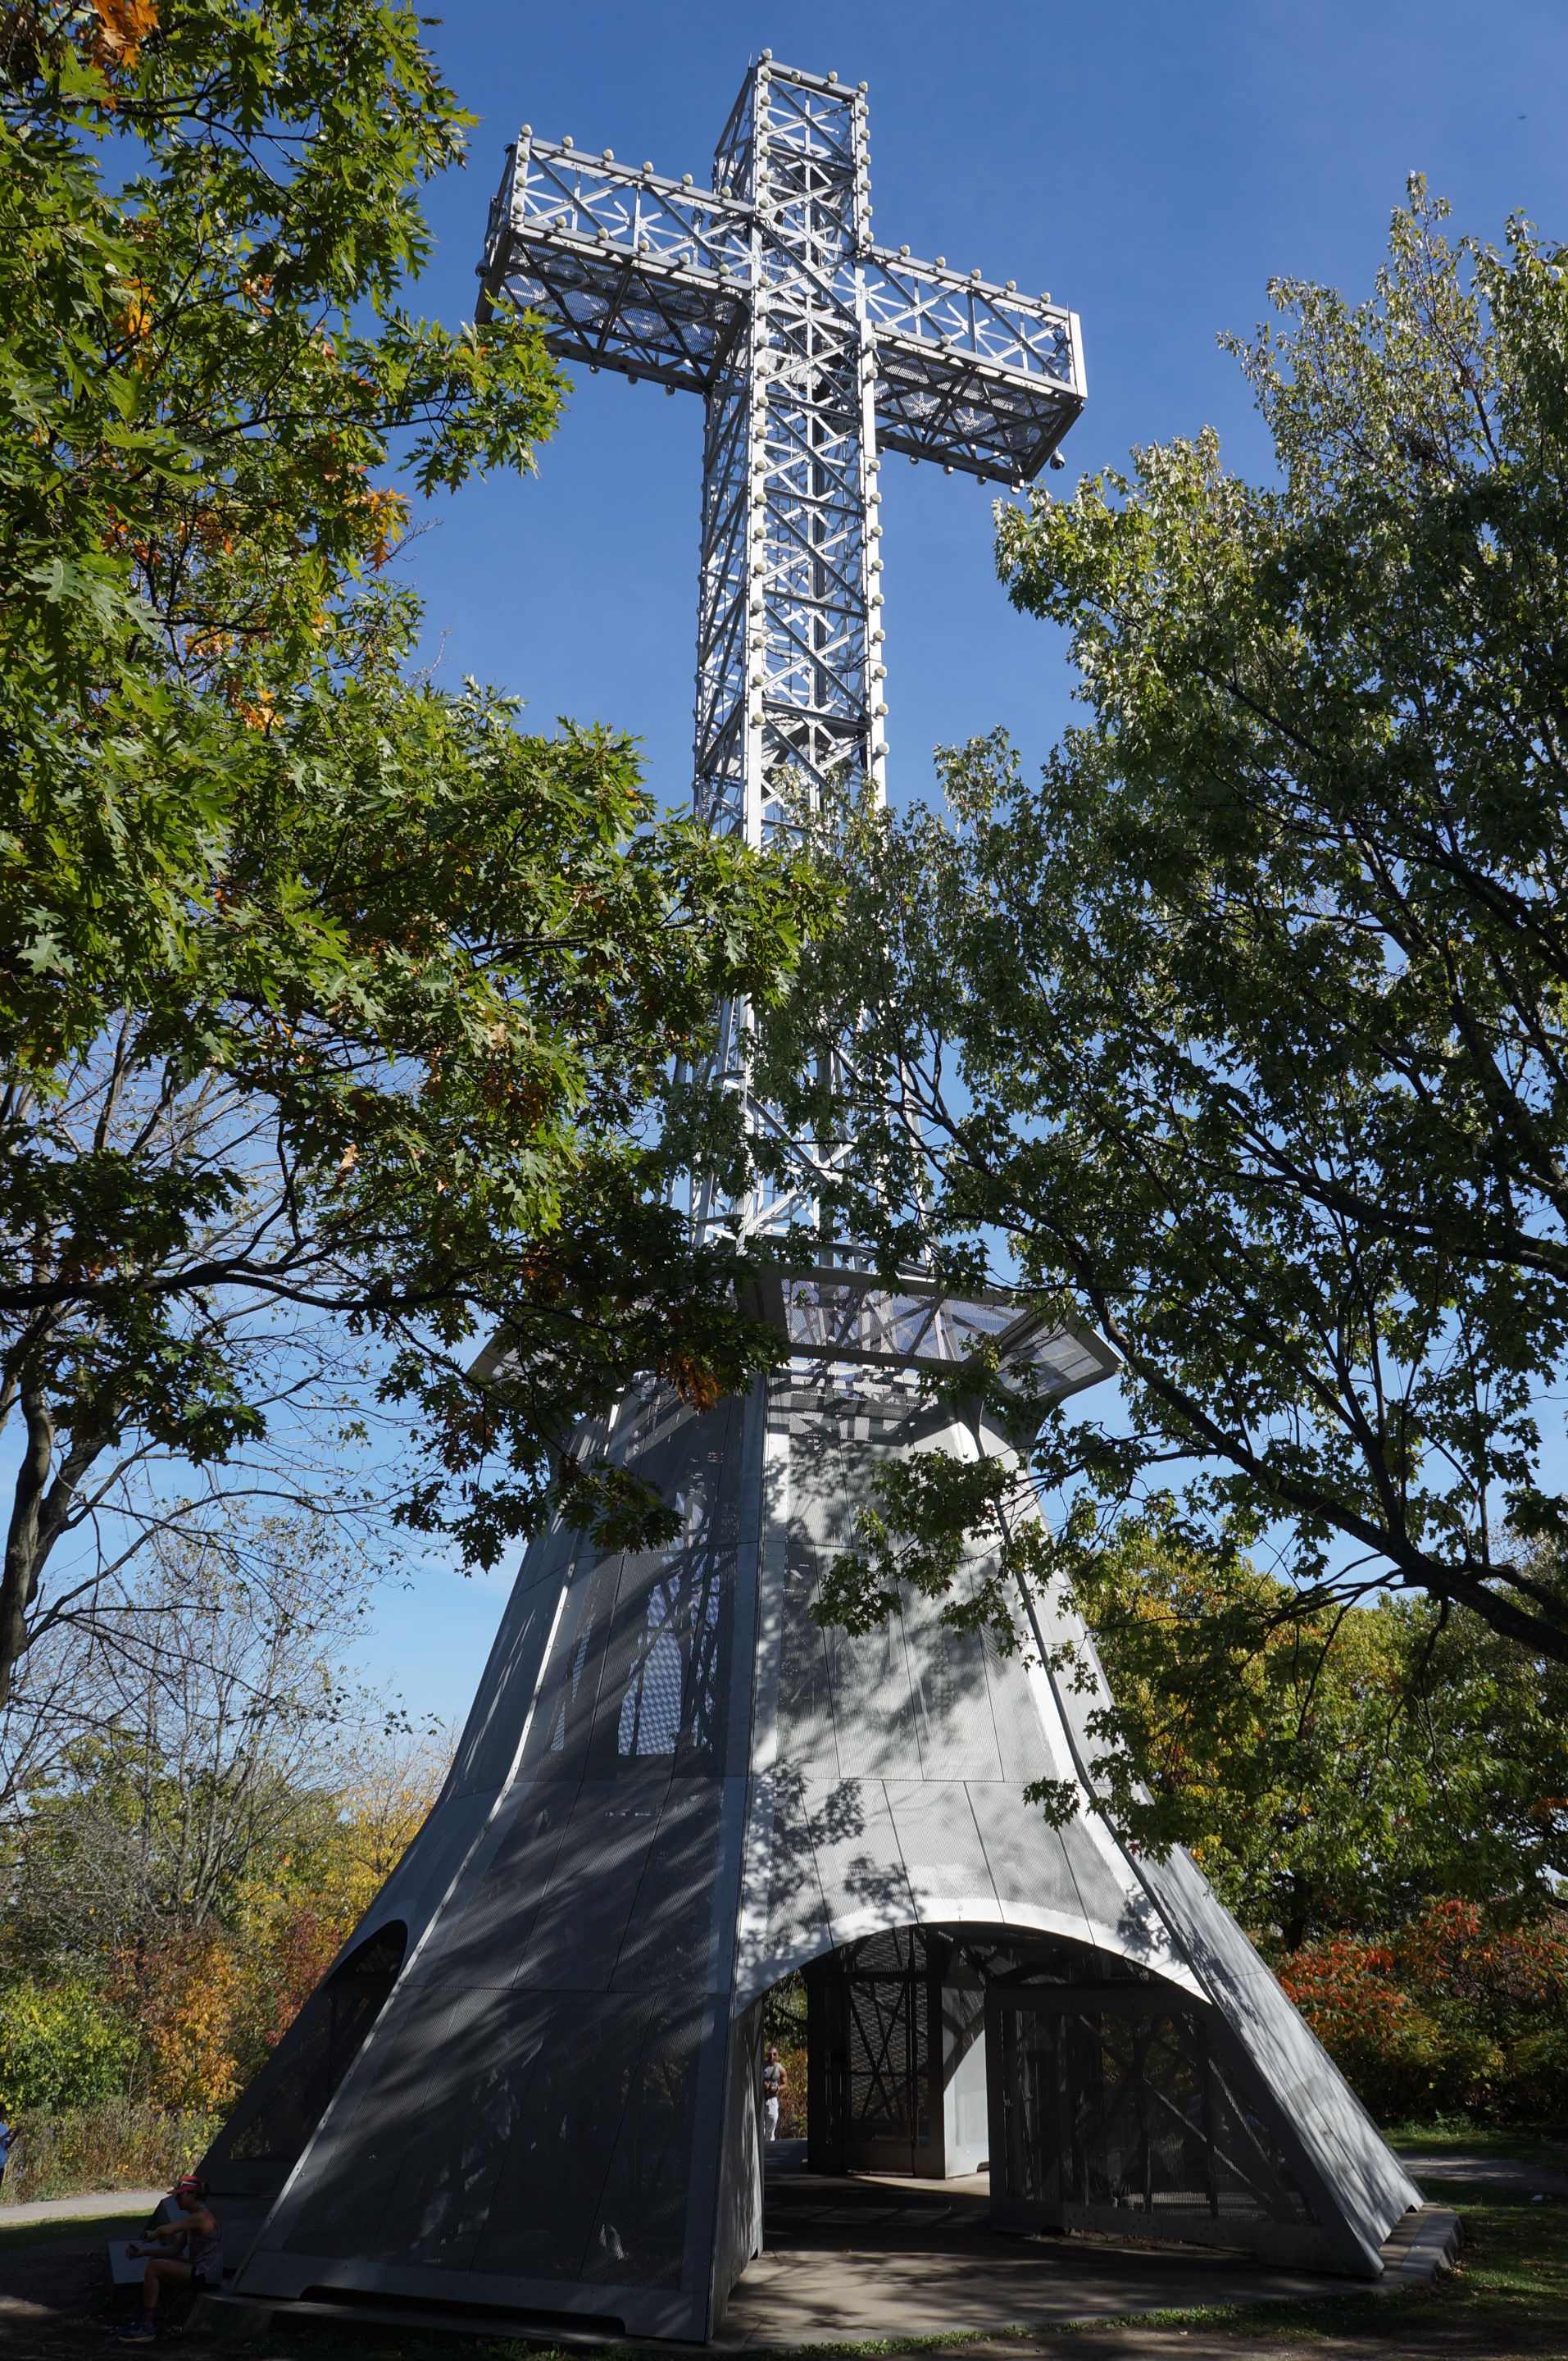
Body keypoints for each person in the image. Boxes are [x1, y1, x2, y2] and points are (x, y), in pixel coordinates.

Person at [120, 2175, 223, 2344]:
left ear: (191, 2195)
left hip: (205, 2276)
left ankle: (147, 2327)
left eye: (179, 2195)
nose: (176, 2199)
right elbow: (174, 2250)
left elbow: (168, 2230)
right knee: (154, 2262)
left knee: (154, 2268)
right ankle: (150, 2319)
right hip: (202, 2272)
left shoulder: (201, 2217)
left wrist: (153, 2234)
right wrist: (143, 2252)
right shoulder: (195, 2218)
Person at [761, 2045, 787, 2142]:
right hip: (761, 2099)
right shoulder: (762, 2066)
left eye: (774, 2054)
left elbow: (785, 2084)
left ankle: (769, 2150)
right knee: (761, 2129)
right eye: (770, 2054)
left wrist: (777, 2089)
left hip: (772, 2100)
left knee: (770, 2130)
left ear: (777, 2056)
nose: (772, 2056)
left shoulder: (780, 2069)